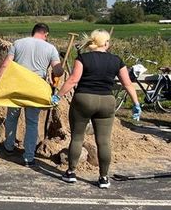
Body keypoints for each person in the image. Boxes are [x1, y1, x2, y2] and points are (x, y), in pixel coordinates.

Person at [54, 30, 141, 189]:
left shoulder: (83, 58)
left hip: (84, 99)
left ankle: (71, 173)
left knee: (78, 137)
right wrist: (136, 103)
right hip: (107, 101)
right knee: (104, 141)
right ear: (106, 43)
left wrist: (58, 96)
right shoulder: (117, 60)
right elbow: (127, 84)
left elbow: (73, 80)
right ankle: (103, 178)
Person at [0, 23, 63, 167]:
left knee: (12, 117)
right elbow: (58, 70)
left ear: (33, 32)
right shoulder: (50, 48)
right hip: (35, 89)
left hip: (16, 87)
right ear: (46, 34)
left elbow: (6, 64)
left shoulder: (18, 43)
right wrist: (57, 72)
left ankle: (8, 147)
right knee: (32, 122)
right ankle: (28, 157)